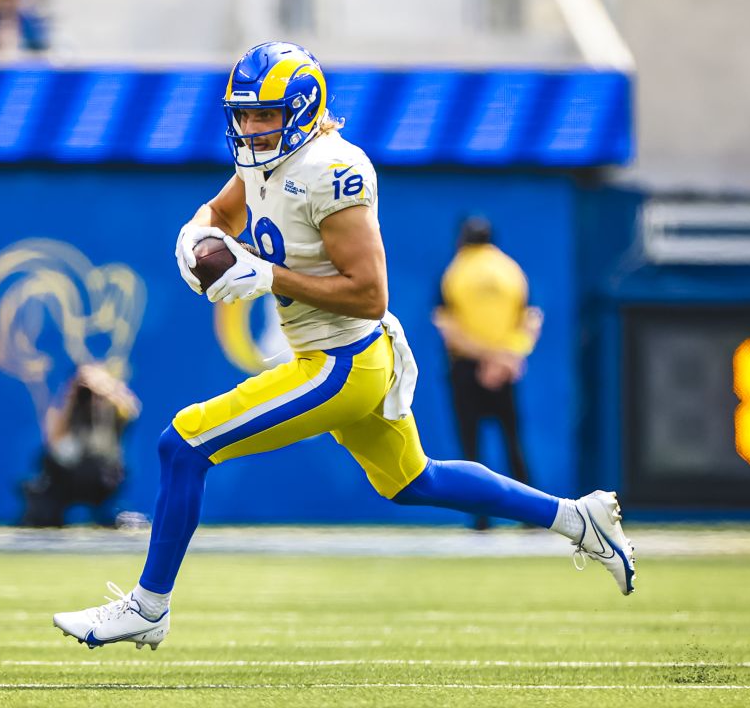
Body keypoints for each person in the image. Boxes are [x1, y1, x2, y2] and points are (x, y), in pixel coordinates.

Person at [53, 42, 636, 651]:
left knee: (184, 444)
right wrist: (194, 235)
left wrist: (268, 275)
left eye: (265, 115)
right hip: (343, 357)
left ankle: (149, 608)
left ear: (302, 110)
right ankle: (577, 517)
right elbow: (221, 212)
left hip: (342, 360)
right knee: (415, 480)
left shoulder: (333, 170)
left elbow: (370, 296)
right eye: (244, 116)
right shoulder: (263, 159)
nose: (251, 128)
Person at [433, 216, 544, 531]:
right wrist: (507, 357)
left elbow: (447, 326)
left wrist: (483, 357)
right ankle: (530, 515)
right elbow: (531, 319)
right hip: (505, 368)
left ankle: (480, 517)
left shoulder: (456, 272)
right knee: (513, 441)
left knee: (472, 447)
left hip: (468, 367)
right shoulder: (509, 270)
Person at [20, 363, 141, 528]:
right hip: (65, 477)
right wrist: (70, 397)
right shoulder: (63, 410)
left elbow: (131, 410)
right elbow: (53, 442)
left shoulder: (113, 410)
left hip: (101, 478)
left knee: (115, 516)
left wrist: (106, 390)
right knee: (42, 511)